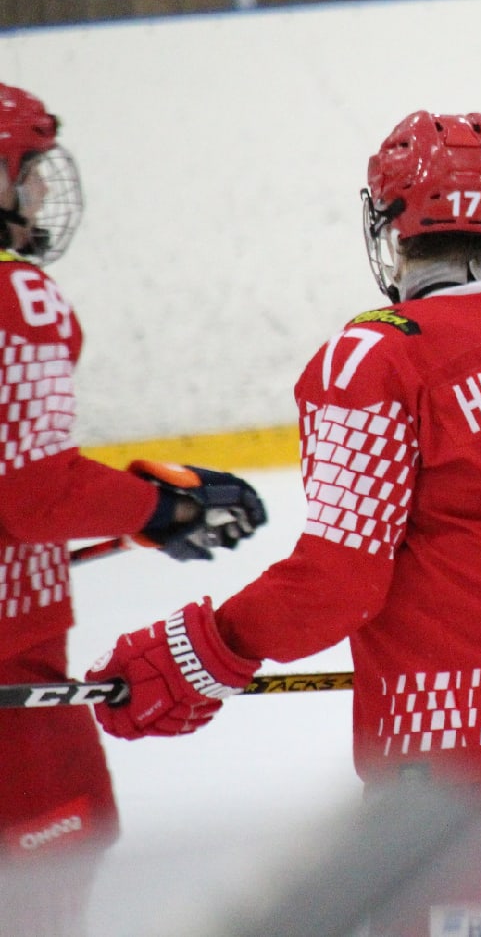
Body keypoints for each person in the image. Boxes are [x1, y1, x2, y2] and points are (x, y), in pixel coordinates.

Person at [87, 110, 481, 936]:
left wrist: (202, 651)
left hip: (453, 737)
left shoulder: (374, 356)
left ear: (392, 223)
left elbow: (338, 580)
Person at [0, 82, 266, 935]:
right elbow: (35, 493)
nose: (40, 193)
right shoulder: (17, 296)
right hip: (12, 678)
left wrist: (138, 505)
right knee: (57, 865)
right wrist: (160, 509)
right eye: (27, 173)